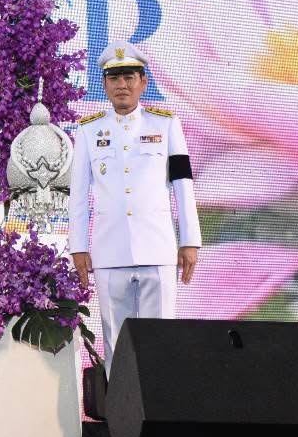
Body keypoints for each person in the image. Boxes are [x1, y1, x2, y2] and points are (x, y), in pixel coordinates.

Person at [68, 41, 200, 374]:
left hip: (157, 249)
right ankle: (120, 407)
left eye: (129, 77)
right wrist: (78, 247)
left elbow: (182, 184)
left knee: (162, 340)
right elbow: (78, 194)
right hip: (109, 251)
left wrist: (190, 241)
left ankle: (163, 404)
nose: (122, 85)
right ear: (104, 84)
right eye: (114, 78)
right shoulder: (88, 130)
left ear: (143, 82)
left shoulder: (166, 124)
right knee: (117, 344)